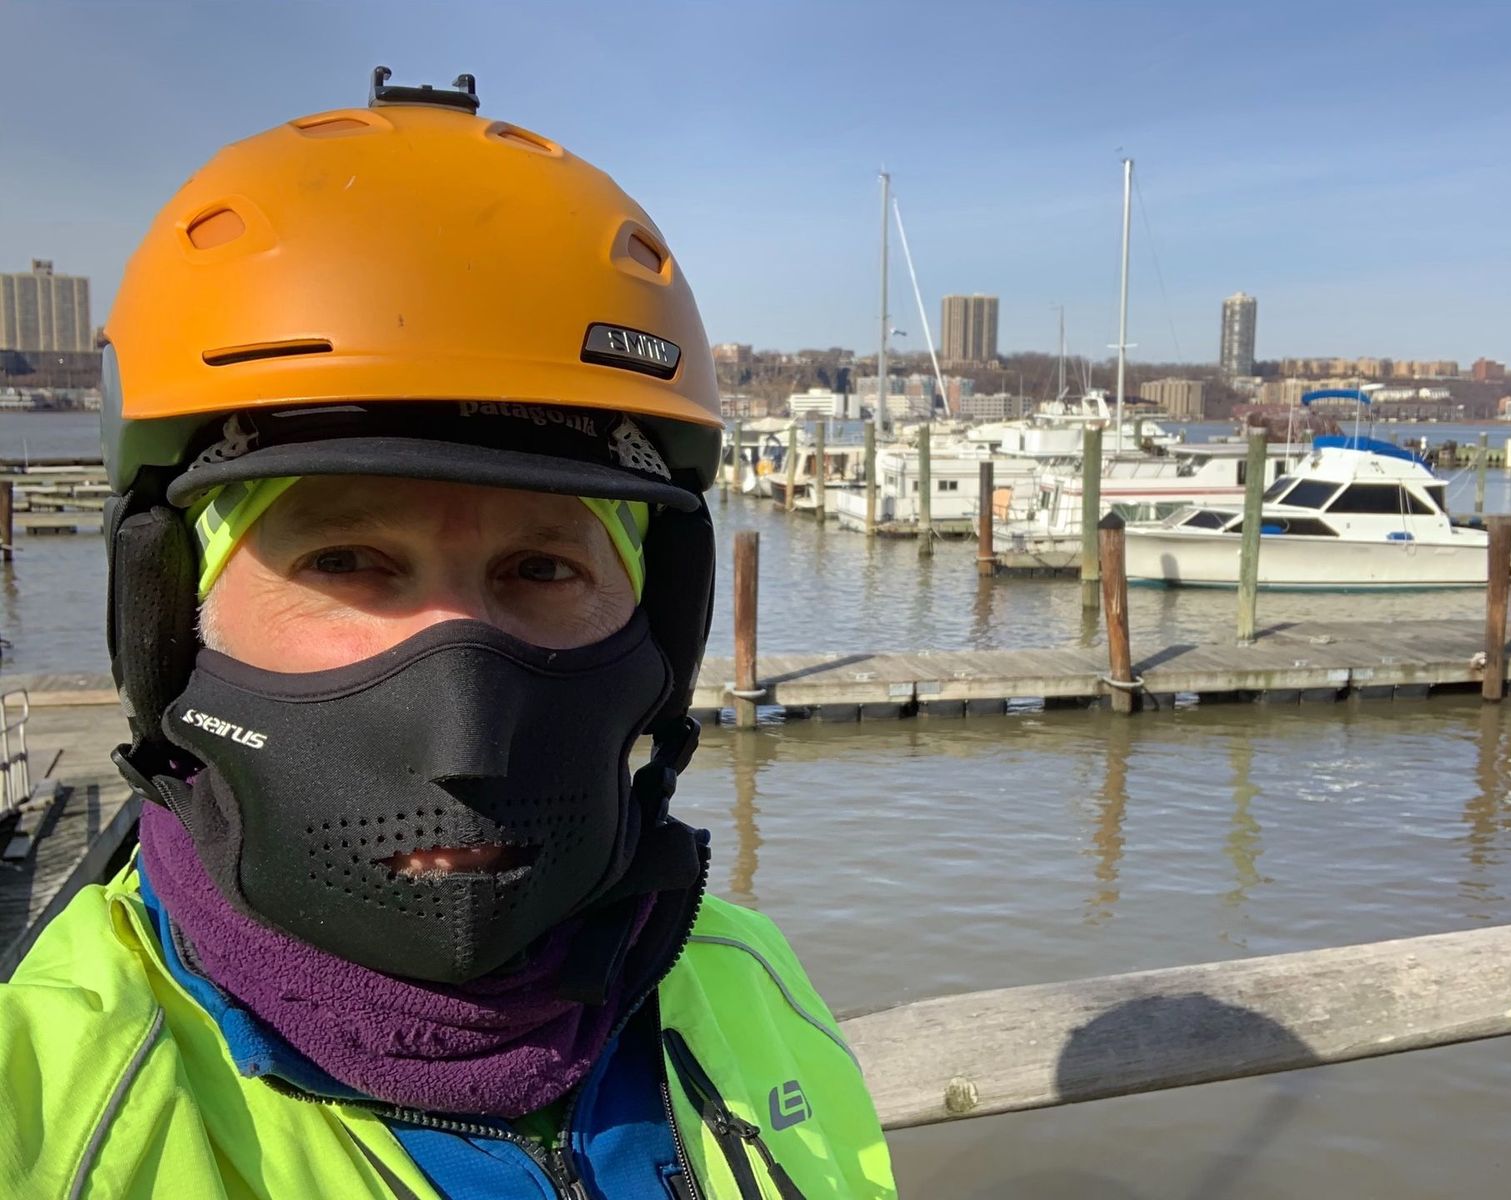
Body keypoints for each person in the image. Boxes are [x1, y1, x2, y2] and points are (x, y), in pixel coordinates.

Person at [0, 68, 897, 1199]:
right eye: (345, 562)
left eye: (543, 568)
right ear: (169, 624)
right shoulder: (45, 1105)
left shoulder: (750, 984)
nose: (464, 729)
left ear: (658, 635)